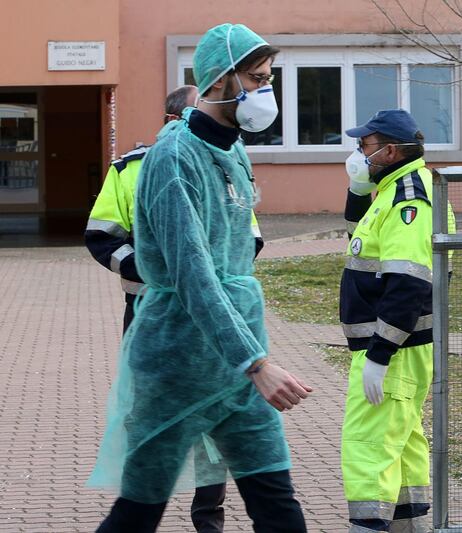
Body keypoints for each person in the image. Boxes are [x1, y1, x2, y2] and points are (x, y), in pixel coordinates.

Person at [88, 23, 311, 532]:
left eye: (267, 78)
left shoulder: (232, 150)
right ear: (217, 80)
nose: (265, 91)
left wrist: (247, 359)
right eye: (255, 79)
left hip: (233, 364)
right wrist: (256, 364)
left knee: (277, 502)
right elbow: (193, 276)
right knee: (139, 511)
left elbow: (233, 261)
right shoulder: (172, 158)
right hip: (178, 365)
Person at [84, 84, 265, 533]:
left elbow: (251, 238)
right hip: (153, 316)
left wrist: (213, 278)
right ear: (171, 121)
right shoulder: (132, 168)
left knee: (217, 414)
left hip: (218, 317)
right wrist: (155, 272)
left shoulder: (228, 162)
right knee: (149, 417)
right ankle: (139, 508)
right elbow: (101, 234)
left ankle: (209, 519)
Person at [339, 109, 444, 532]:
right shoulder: (395, 187)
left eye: (365, 146)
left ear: (391, 150)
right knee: (400, 445)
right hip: (400, 347)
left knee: (368, 447)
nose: (359, 153)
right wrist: (357, 187)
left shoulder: (409, 198)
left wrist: (380, 354)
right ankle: (409, 526)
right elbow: (357, 234)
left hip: (393, 348)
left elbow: (408, 281)